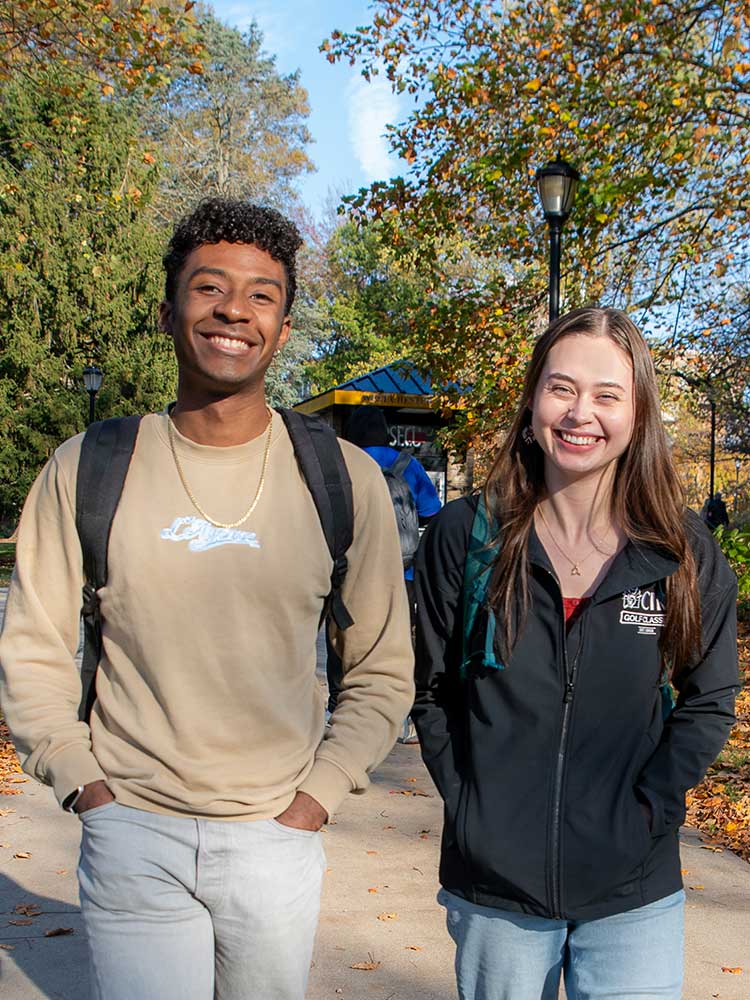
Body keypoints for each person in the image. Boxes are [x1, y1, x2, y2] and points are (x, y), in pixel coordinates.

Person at [0, 198, 414, 1000]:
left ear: (284, 327)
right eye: (210, 287)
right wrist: (88, 787)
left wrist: (315, 799)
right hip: (133, 833)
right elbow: (34, 650)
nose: (234, 310)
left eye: (262, 294)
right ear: (168, 310)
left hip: (274, 837)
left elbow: (382, 667)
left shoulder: (342, 480)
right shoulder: (88, 468)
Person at [413, 307, 739, 1000]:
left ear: (638, 414)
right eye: (562, 388)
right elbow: (431, 692)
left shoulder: (679, 550)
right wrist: (474, 807)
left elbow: (708, 699)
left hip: (634, 892)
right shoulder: (465, 537)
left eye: (606, 395)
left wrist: (651, 809)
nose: (580, 412)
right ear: (532, 401)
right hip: (495, 892)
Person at [325, 405, 441, 744]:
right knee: (400, 641)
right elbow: (431, 513)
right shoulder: (408, 465)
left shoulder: (345, 462)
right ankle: (401, 716)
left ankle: (337, 710)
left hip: (347, 569)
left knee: (340, 637)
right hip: (401, 574)